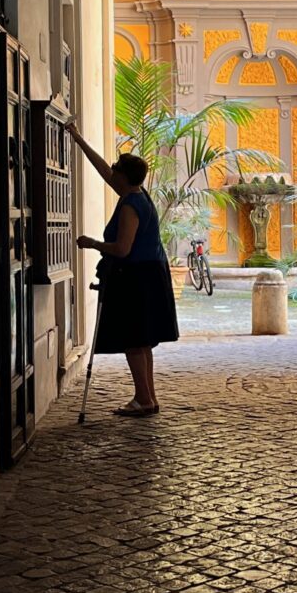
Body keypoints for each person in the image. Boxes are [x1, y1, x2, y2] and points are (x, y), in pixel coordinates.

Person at [65, 121, 179, 417]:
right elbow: (104, 170)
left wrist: (91, 243)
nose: (111, 173)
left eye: (116, 170)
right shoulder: (138, 195)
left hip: (136, 278)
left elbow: (122, 248)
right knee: (142, 341)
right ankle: (147, 397)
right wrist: (78, 138)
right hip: (148, 275)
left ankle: (143, 399)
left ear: (124, 177)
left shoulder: (129, 206)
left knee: (134, 341)